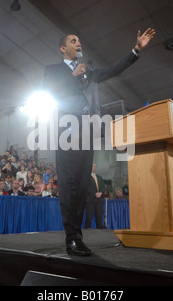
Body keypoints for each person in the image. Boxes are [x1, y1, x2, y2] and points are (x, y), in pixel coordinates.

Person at [42, 28, 155, 256]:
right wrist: (72, 76)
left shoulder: (90, 72)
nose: (79, 43)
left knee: (82, 185)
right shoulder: (53, 71)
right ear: (63, 48)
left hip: (87, 131)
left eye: (80, 40)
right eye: (73, 41)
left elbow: (114, 69)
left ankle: (77, 237)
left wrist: (136, 50)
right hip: (66, 131)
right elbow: (49, 92)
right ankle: (71, 238)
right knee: (68, 186)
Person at [85, 163, 106, 229]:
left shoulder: (99, 177)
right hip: (90, 199)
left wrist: (101, 193)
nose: (95, 168)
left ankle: (99, 228)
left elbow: (103, 187)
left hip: (99, 199)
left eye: (95, 166)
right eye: (93, 166)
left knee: (99, 215)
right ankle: (87, 229)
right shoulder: (86, 177)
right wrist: (95, 193)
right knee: (89, 216)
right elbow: (87, 187)